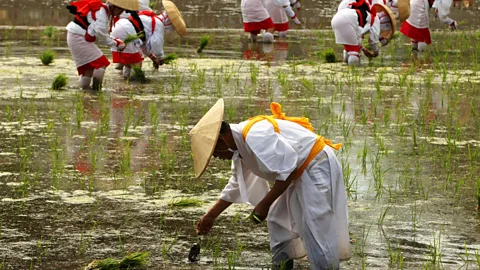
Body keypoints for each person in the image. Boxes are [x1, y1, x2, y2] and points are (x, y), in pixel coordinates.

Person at [189, 99, 351, 270]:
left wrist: (264, 204)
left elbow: (288, 171)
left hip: (315, 165)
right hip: (296, 172)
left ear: (221, 141)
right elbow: (237, 185)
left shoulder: (254, 136)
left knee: (315, 227)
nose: (217, 158)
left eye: (215, 153)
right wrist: (211, 215)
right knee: (277, 219)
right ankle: (282, 266)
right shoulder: (240, 147)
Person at [66, 0, 139, 90]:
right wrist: (116, 43)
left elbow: (101, 34)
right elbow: (101, 35)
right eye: (121, 10)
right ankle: (96, 90)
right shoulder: (102, 13)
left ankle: (85, 93)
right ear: (115, 7)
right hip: (77, 37)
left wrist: (116, 41)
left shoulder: (103, 11)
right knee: (101, 64)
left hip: (76, 35)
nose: (122, 12)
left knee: (88, 70)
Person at [110, 0, 186, 78]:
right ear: (169, 24)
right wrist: (161, 58)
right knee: (137, 63)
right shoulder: (159, 24)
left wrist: (152, 57)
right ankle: (135, 84)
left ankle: (125, 82)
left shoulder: (150, 18)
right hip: (126, 31)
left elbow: (143, 45)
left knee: (128, 62)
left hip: (117, 28)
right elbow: (156, 44)